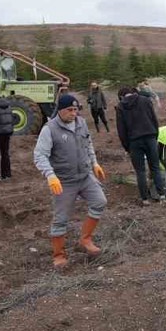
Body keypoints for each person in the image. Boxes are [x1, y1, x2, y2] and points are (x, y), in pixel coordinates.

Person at [34, 93, 108, 267]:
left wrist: (95, 163)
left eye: (76, 110)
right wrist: (51, 176)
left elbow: (88, 144)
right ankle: (58, 255)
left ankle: (85, 240)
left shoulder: (81, 123)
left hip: (85, 176)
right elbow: (39, 155)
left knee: (99, 202)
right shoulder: (49, 129)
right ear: (60, 110)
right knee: (61, 219)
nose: (73, 113)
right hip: (64, 181)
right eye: (70, 110)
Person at [115, 86, 166, 204]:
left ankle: (144, 199)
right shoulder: (145, 100)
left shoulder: (121, 106)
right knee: (155, 167)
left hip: (134, 141)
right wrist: (155, 135)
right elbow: (154, 119)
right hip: (150, 137)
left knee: (140, 171)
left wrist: (127, 147)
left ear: (122, 96)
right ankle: (161, 194)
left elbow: (121, 129)